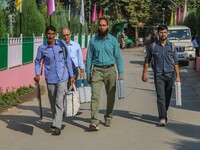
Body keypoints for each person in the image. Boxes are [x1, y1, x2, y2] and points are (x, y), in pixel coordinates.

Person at [34, 26, 75, 135]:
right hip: (50, 78)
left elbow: (67, 60)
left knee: (59, 100)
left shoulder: (62, 45)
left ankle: (57, 125)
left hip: (62, 78)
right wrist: (37, 74)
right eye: (48, 34)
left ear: (55, 34)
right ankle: (56, 120)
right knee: (52, 102)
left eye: (52, 34)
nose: (50, 36)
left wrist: (71, 75)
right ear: (46, 34)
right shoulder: (42, 48)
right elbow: (37, 62)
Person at [86, 17, 124, 131]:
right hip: (97, 71)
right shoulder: (93, 40)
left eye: (104, 25)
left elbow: (118, 57)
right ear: (98, 27)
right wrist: (88, 73)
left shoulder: (113, 40)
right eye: (100, 25)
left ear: (107, 26)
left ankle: (108, 116)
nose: (102, 27)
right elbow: (89, 57)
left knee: (111, 97)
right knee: (95, 96)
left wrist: (121, 73)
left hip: (110, 70)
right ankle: (94, 121)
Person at [142, 25, 181, 126]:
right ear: (158, 33)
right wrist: (144, 74)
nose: (163, 34)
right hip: (158, 75)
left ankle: (164, 112)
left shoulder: (172, 46)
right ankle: (162, 117)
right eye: (161, 32)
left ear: (167, 33)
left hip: (170, 75)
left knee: (167, 97)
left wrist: (177, 77)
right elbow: (147, 60)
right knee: (160, 97)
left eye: (164, 32)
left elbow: (176, 62)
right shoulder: (153, 46)